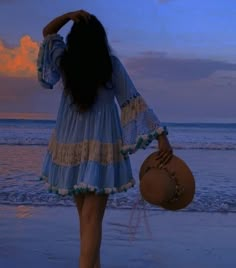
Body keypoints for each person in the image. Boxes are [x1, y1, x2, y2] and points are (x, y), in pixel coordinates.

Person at [37, 9, 173, 268]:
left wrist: (69, 15)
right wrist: (161, 136)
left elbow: (48, 33)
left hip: (70, 146)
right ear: (100, 39)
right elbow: (132, 100)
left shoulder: (66, 63)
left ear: (75, 40)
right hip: (101, 146)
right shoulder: (109, 65)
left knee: (86, 219)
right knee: (91, 219)